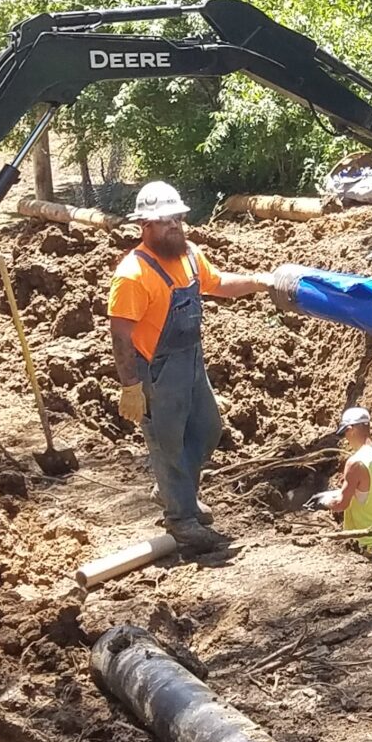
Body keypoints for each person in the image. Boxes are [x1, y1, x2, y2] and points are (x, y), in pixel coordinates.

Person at [108, 182, 271, 553]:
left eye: (178, 219)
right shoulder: (133, 274)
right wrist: (130, 385)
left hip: (192, 362)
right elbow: (120, 334)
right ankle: (181, 520)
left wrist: (259, 281)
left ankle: (174, 489)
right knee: (168, 443)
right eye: (165, 222)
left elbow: (218, 284)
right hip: (158, 372)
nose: (175, 227)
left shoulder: (190, 256)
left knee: (208, 429)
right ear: (145, 225)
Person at [316, 405, 372, 564]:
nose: (346, 438)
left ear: (351, 429)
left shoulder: (355, 463)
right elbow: (366, 489)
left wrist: (323, 501)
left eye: (345, 433)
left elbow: (341, 504)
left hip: (365, 542)